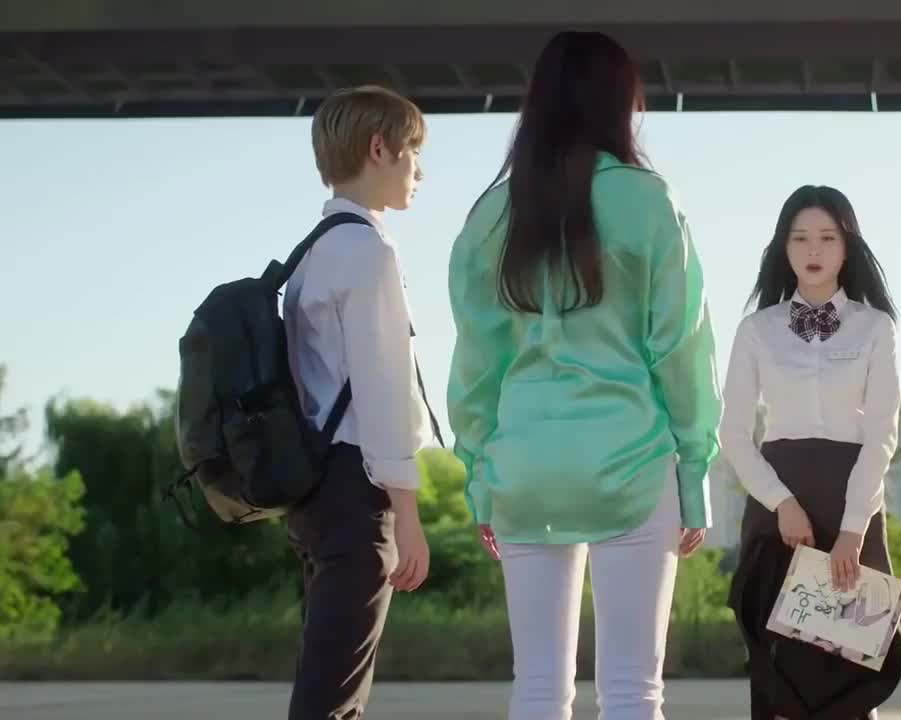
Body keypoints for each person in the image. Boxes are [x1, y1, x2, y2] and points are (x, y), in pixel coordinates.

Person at [445, 30, 720, 720]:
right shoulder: (649, 201)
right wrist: (693, 470)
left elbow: (476, 367)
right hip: (631, 460)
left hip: (522, 467)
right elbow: (681, 348)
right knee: (632, 691)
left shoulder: (490, 215)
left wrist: (479, 479)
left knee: (538, 688)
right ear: (618, 105)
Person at [282, 84, 442, 720]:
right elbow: (383, 391)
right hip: (357, 490)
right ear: (379, 149)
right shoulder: (369, 252)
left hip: (315, 490)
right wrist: (407, 516)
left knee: (325, 680)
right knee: (334, 698)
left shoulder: (312, 251)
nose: (419, 172)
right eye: (412, 153)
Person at [721, 185, 901, 720]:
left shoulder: (876, 328)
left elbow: (882, 434)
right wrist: (781, 503)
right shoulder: (756, 330)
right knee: (780, 674)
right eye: (800, 238)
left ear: (848, 247)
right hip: (779, 512)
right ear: (783, 247)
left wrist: (852, 529)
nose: (813, 250)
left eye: (827, 237)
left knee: (849, 671)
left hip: (853, 502)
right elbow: (733, 434)